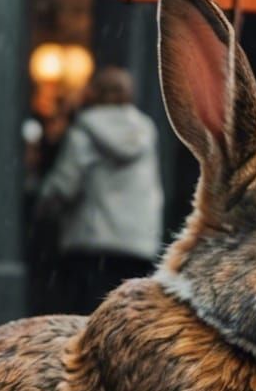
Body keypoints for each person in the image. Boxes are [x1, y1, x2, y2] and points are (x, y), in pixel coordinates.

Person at [37, 66, 164, 315]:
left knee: (86, 319)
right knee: (127, 320)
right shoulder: (145, 129)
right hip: (138, 244)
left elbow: (64, 185)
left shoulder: (83, 132)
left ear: (94, 93)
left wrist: (42, 210)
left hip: (92, 242)